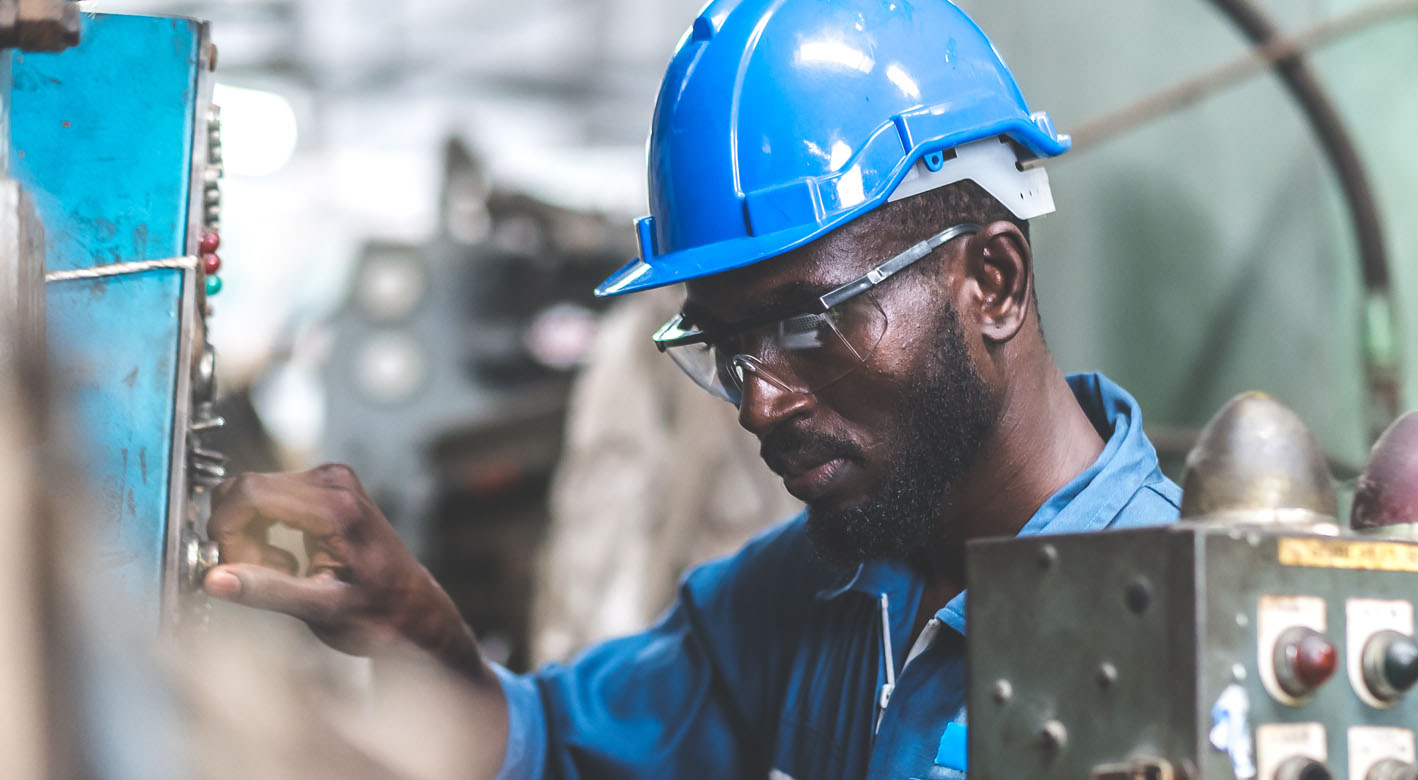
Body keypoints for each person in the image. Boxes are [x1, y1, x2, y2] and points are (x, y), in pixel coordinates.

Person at [201, 1, 1181, 777]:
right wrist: (415, 627)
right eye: (728, 346)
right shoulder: (812, 592)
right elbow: (554, 748)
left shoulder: (1177, 637)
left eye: (810, 326)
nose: (760, 404)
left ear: (992, 283)